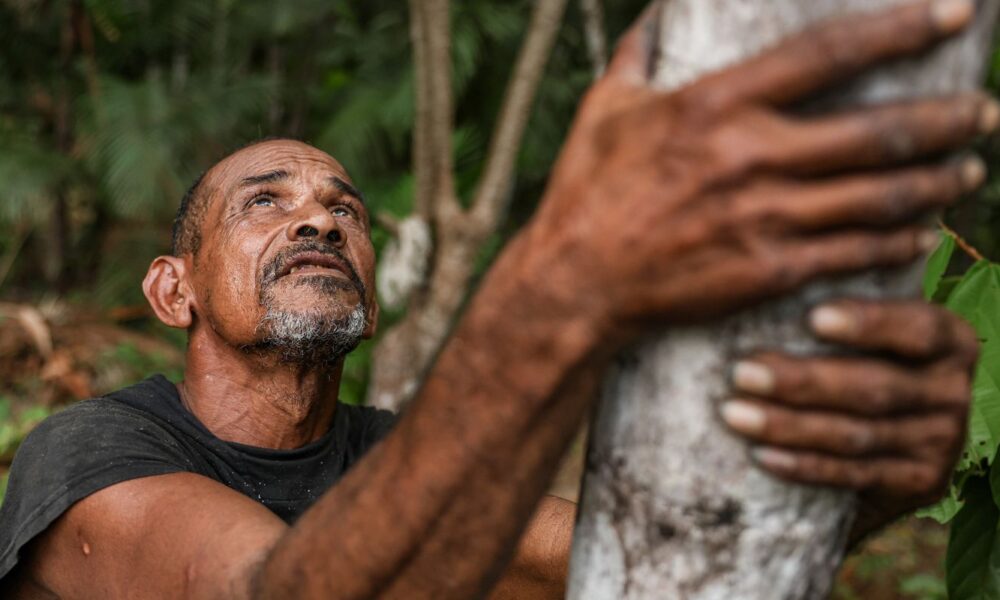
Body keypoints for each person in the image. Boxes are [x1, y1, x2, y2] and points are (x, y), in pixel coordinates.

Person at [0, 1, 989, 598]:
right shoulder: (88, 452)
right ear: (173, 290)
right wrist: (560, 282)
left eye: (345, 210)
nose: (319, 223)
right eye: (265, 203)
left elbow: (627, 575)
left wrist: (868, 494)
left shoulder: (400, 454)